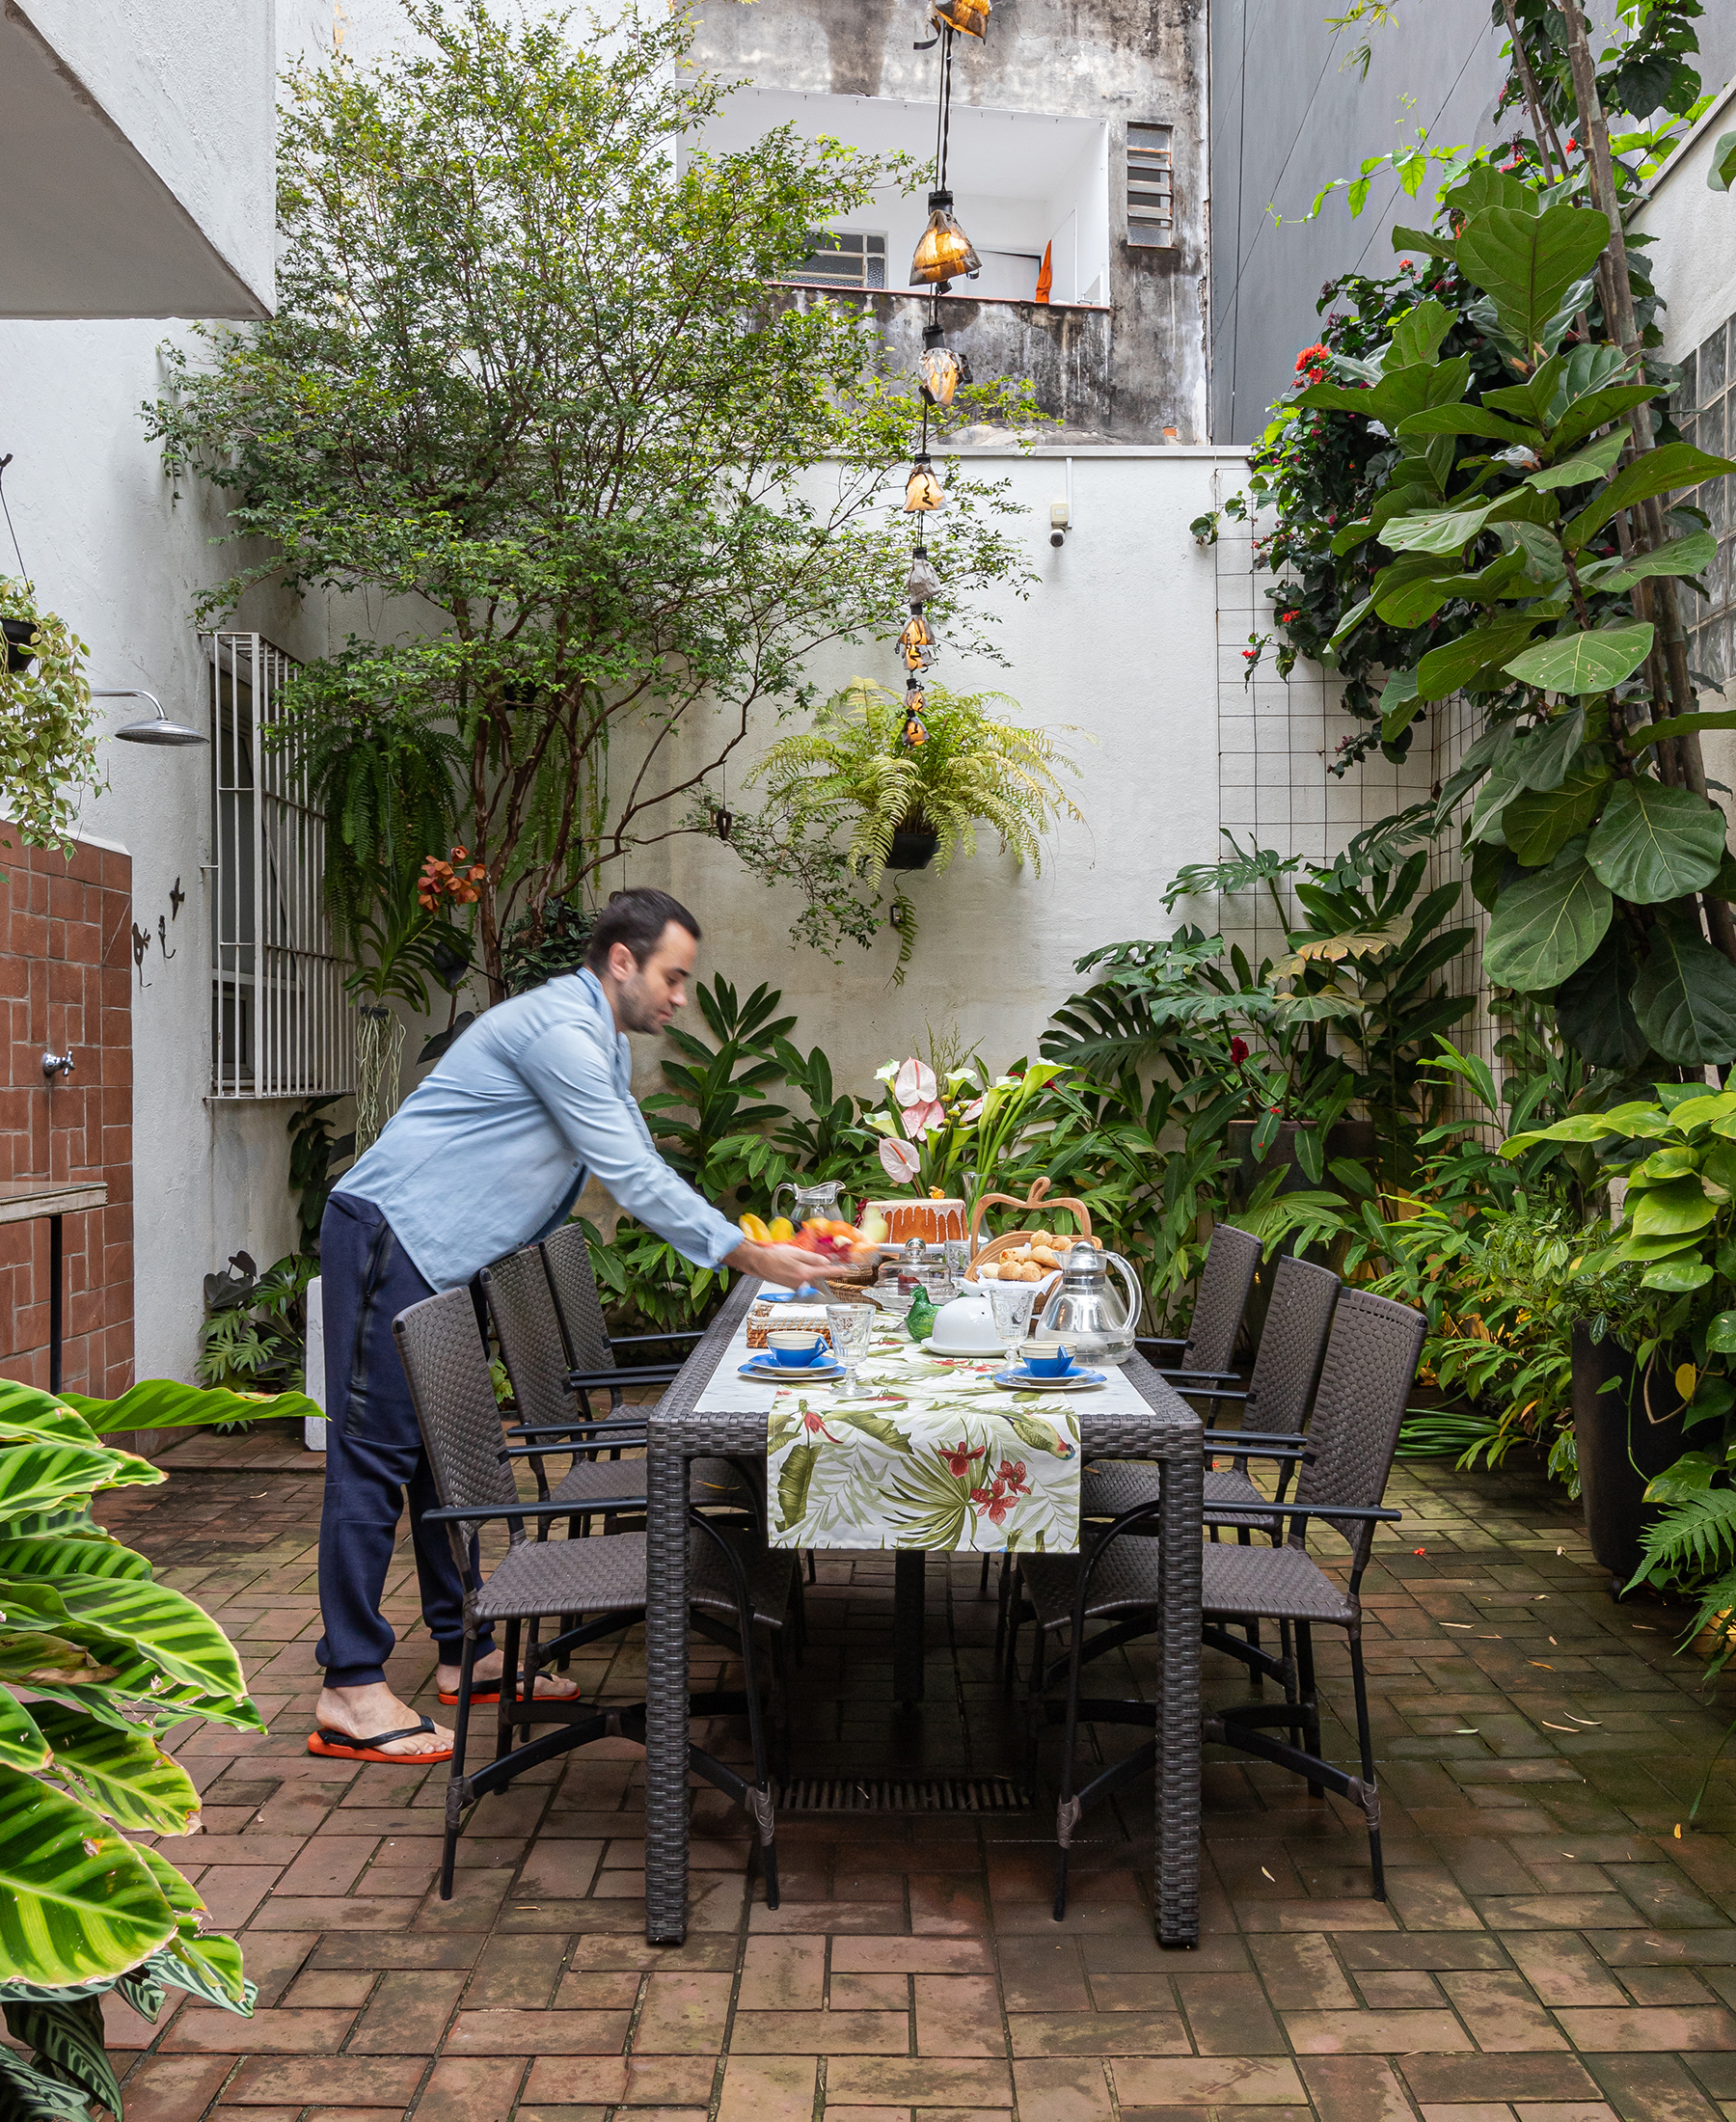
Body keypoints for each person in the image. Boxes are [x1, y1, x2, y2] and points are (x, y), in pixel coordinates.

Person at [308, 886, 824, 1763]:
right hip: (393, 1235)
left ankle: (465, 1654)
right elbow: (629, 1173)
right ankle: (350, 1686)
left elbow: (635, 1159)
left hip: (441, 1253)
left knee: (439, 1461)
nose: (681, 996)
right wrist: (748, 1253)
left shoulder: (598, 1041)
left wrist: (744, 1246)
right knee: (373, 1462)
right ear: (622, 961)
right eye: (673, 975)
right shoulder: (562, 1035)